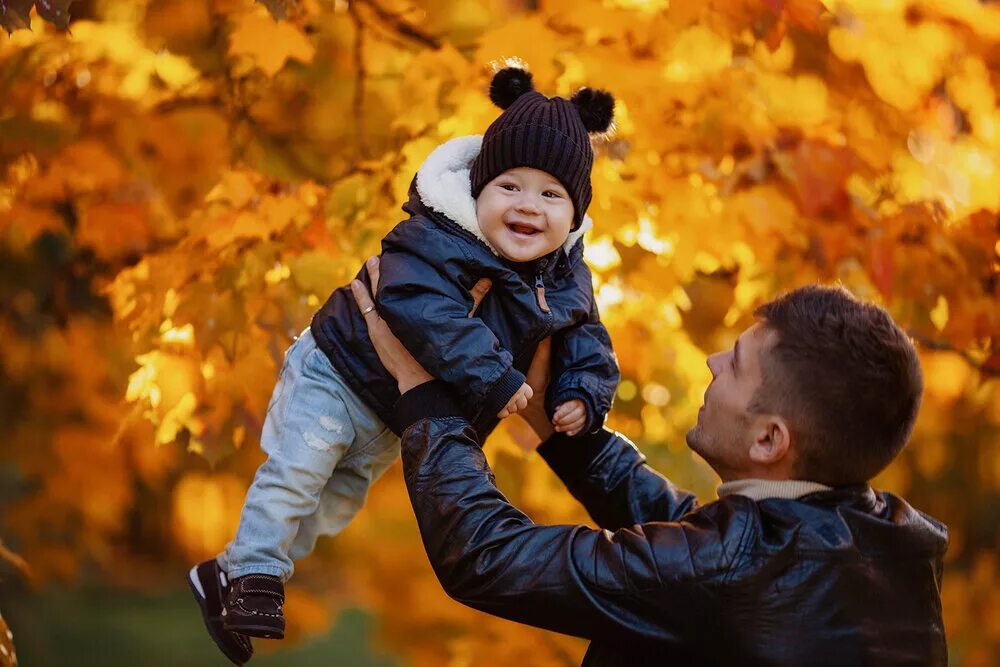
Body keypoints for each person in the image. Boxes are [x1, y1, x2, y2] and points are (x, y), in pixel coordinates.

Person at [187, 64, 621, 665]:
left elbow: (586, 338)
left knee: (330, 505)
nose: (528, 207)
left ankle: (230, 572)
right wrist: (493, 375)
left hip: (393, 417)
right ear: (477, 190)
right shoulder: (438, 239)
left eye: (551, 195)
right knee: (297, 472)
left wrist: (584, 391)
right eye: (510, 188)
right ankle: (257, 576)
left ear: (574, 215)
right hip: (339, 373)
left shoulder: (565, 278)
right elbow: (420, 310)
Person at [350, 268, 949, 666]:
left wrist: (423, 394)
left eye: (736, 365)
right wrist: (553, 417)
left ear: (771, 439)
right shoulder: (880, 547)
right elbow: (694, 541)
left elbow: (489, 558)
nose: (713, 362)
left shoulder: (731, 568)